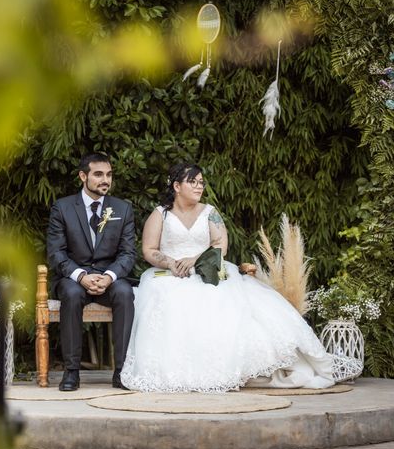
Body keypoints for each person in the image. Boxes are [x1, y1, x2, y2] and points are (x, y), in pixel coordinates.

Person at [120, 162, 334, 392]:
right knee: (166, 299)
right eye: (193, 182)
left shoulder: (210, 213)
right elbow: (149, 249)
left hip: (207, 271)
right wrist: (171, 263)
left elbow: (221, 245)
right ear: (176, 186)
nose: (199, 186)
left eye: (201, 182)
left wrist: (196, 259)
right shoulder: (160, 214)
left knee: (224, 303)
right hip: (169, 275)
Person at [47, 153, 136, 391]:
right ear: (83, 176)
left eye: (108, 174)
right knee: (72, 294)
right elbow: (56, 253)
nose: (105, 180)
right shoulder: (63, 207)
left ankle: (121, 371)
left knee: (125, 293)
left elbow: (128, 254)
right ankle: (72, 371)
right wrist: (81, 276)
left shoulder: (123, 209)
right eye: (98, 174)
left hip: (109, 278)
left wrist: (108, 277)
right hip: (74, 278)